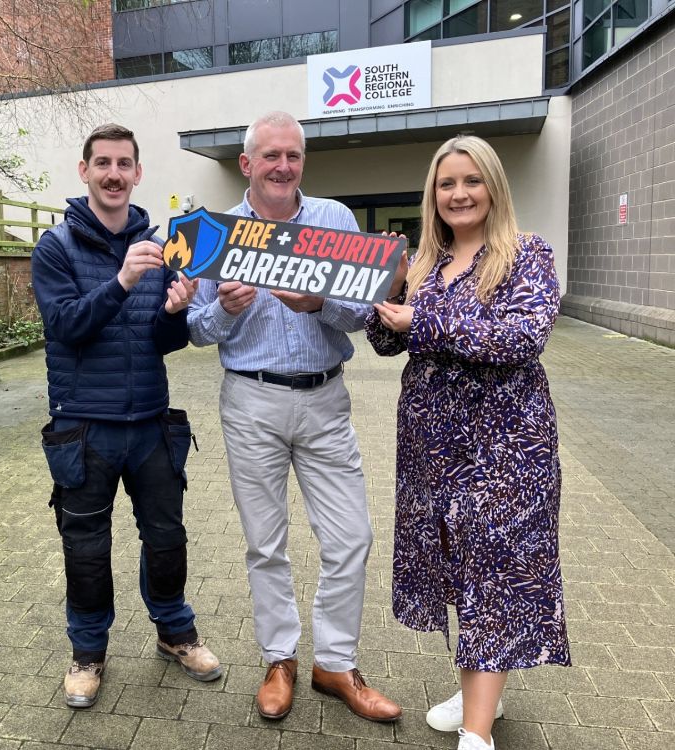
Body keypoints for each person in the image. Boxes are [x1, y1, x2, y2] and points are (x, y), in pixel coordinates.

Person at [187, 111, 403, 723]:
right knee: (265, 543)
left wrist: (321, 304)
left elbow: (365, 315)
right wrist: (226, 310)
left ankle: (334, 663)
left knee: (351, 536)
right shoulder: (217, 231)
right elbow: (197, 330)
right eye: (271, 155)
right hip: (250, 400)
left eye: (294, 155)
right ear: (246, 164)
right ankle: (278, 659)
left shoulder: (333, 220)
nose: (284, 166)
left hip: (326, 399)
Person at [366, 135, 570, 750]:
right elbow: (386, 343)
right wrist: (394, 293)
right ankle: (480, 693)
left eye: (471, 180)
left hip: (506, 449)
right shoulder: (426, 263)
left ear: (493, 188)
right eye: (446, 183)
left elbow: (520, 340)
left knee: (496, 574)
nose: (458, 193)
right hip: (433, 448)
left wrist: (422, 319)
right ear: (433, 194)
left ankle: (478, 732)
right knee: (460, 570)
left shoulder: (526, 254)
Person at [32, 123, 221, 709]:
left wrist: (175, 312)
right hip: (83, 428)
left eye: (125, 164)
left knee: (166, 537)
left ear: (138, 173)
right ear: (84, 170)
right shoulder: (55, 248)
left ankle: (175, 633)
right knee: (84, 545)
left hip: (150, 422)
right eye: (103, 163)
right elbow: (66, 326)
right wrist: (121, 281)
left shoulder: (164, 248)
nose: (114, 174)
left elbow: (162, 340)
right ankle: (88, 651)